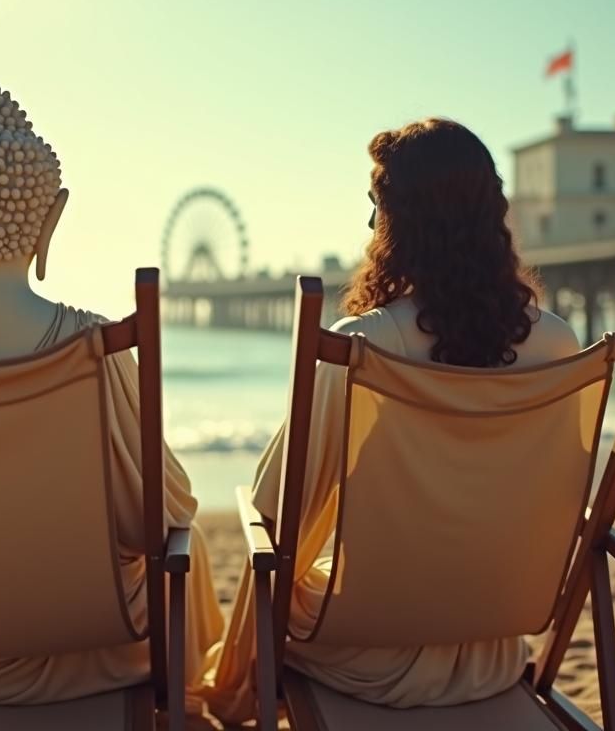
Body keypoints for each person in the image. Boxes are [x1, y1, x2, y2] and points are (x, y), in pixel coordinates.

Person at [205, 118, 580, 723]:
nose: (369, 225)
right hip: (492, 650)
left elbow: (279, 504)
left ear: (403, 223)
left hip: (367, 654)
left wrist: (231, 679)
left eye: (376, 207)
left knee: (273, 547)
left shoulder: (365, 345)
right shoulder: (561, 347)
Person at [0, 86, 223, 710]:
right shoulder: (91, 343)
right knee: (181, 538)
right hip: (86, 634)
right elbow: (166, 504)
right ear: (51, 217)